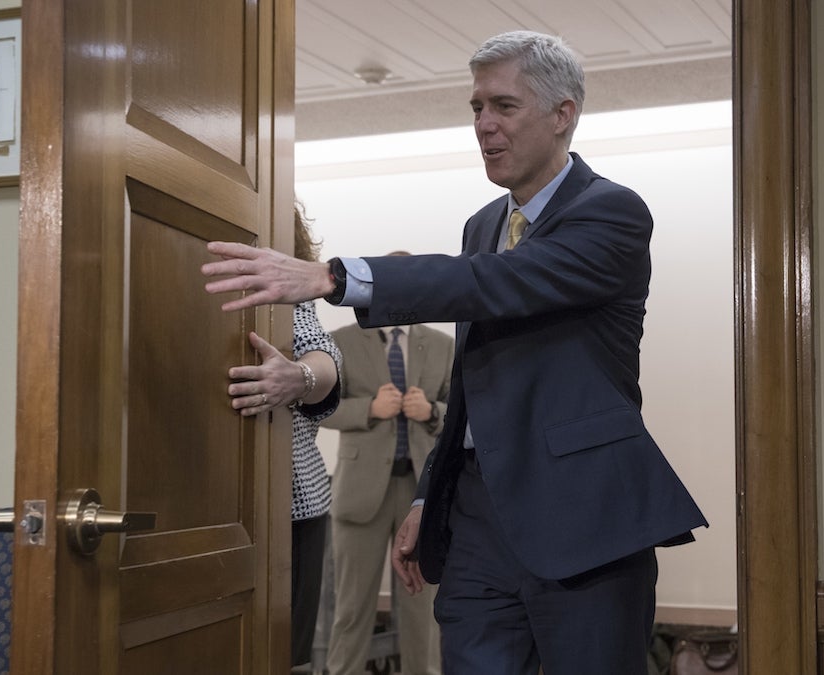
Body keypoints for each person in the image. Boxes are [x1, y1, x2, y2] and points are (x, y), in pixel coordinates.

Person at [202, 30, 708, 675]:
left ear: (563, 114)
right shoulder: (482, 224)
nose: (484, 126)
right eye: (476, 108)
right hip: (476, 521)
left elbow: (498, 282)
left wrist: (336, 276)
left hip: (584, 517)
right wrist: (427, 500)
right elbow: (476, 385)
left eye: (504, 106)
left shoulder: (612, 212)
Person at [222, 201, 341, 667]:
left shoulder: (288, 295)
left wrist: (300, 379)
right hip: (206, 509)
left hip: (295, 504)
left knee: (285, 655)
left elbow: (324, 357)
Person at [321, 254, 453, 675]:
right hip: (359, 495)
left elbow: (466, 415)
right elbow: (317, 410)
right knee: (351, 610)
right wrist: (368, 409)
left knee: (422, 615)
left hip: (420, 497)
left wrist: (432, 410)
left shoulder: (443, 345)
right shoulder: (340, 341)